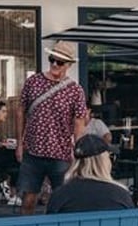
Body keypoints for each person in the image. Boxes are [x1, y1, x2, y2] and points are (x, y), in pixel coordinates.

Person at [15, 41, 88, 215]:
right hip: (33, 151)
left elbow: (79, 123)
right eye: (52, 59)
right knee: (28, 199)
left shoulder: (75, 90)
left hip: (61, 153)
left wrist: (78, 152)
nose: (55, 64)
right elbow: (20, 111)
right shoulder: (33, 82)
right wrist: (20, 142)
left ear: (69, 65)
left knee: (62, 200)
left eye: (60, 62)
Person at [45, 134, 134, 214]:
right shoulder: (121, 194)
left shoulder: (60, 195)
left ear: (76, 162)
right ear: (103, 162)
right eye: (109, 157)